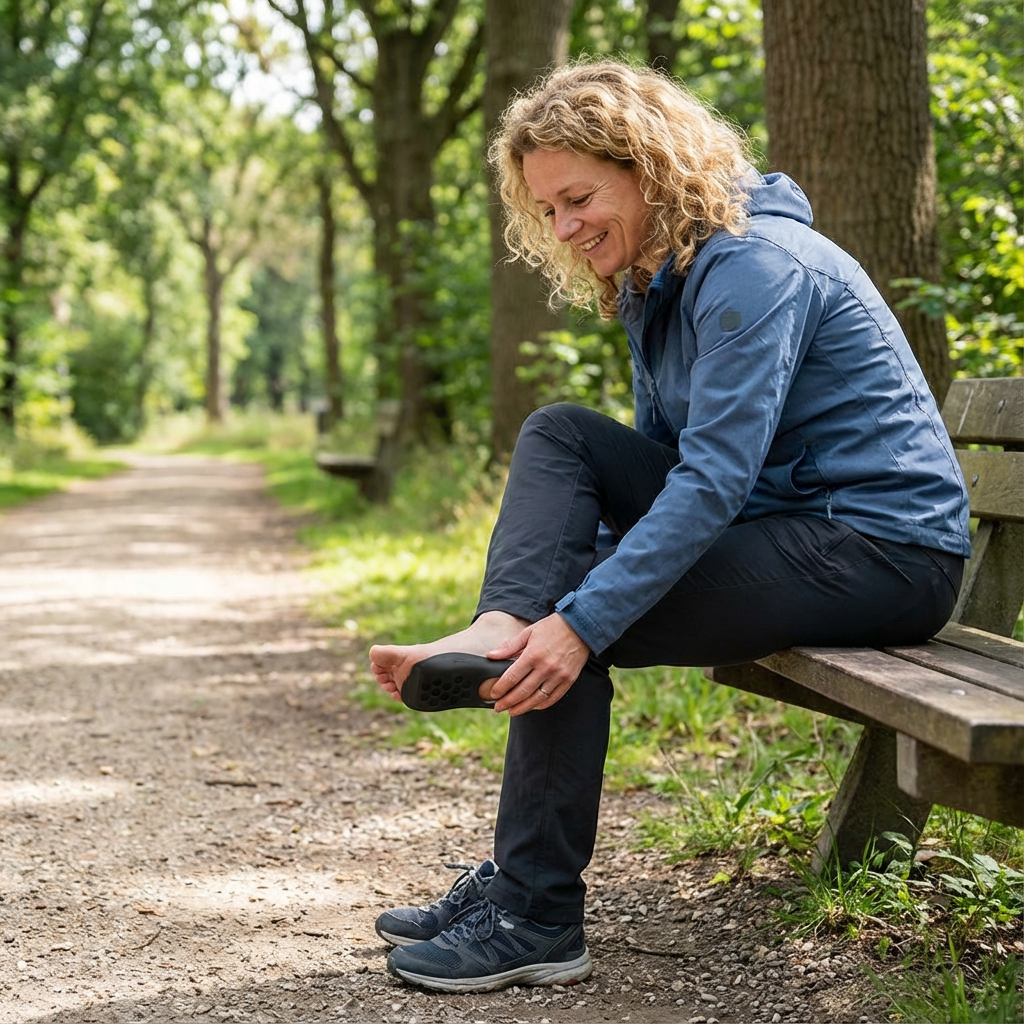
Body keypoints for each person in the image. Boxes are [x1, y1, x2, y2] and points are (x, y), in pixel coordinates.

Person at [368, 60, 970, 994]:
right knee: (562, 434)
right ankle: (503, 629)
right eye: (549, 210)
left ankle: (535, 913)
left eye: (579, 199)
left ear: (647, 167)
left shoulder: (754, 267)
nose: (564, 228)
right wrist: (562, 604)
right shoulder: (659, 282)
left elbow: (712, 481)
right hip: (794, 533)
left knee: (573, 629)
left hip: (881, 551)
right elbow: (655, 480)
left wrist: (578, 619)